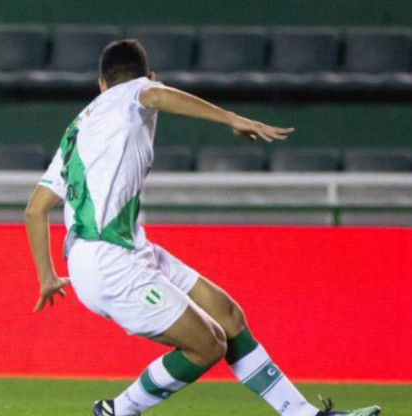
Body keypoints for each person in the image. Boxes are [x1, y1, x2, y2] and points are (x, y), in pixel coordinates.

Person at [24, 39, 380, 416]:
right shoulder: (134, 94)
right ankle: (119, 410)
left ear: (100, 83)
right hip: (108, 262)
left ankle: (302, 414)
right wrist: (231, 118)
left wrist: (47, 275)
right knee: (208, 344)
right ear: (151, 77)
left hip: (120, 251)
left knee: (228, 317)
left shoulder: (77, 131)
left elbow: (35, 210)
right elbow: (155, 97)